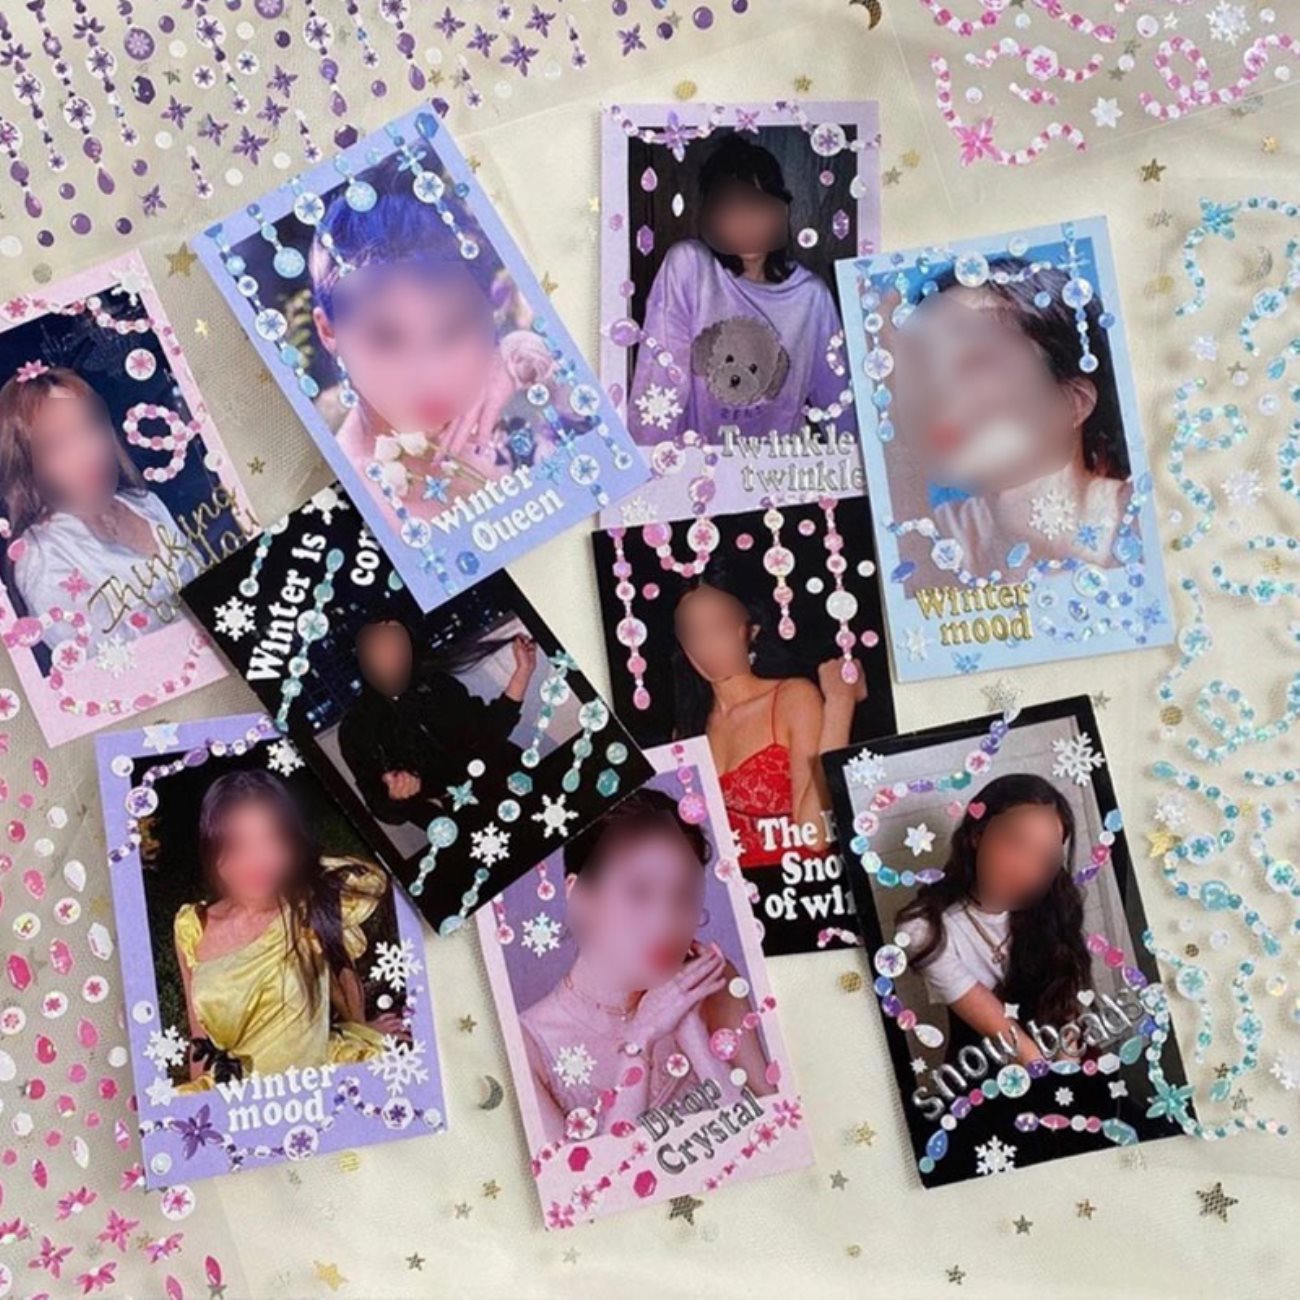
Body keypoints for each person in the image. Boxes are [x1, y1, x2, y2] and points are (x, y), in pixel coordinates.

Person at [308, 154, 566, 513]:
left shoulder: (517, 422)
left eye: (453, 329)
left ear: (489, 309)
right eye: (386, 340)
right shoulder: (339, 503)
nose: (428, 374)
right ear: (328, 331)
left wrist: (537, 359)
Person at [519, 788, 772, 1143]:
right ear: (580, 897)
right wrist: (639, 1044)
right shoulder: (528, 1046)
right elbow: (605, 1178)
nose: (664, 922)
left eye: (684, 895)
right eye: (638, 892)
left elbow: (775, 1138)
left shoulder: (711, 983)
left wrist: (695, 1038)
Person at [879, 257, 1132, 587]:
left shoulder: (1143, 516)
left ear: (1074, 403)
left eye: (978, 360)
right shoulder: (942, 535)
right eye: (923, 364)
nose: (934, 391)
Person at [172, 769, 402, 1090]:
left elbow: (342, 973)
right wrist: (201, 1101)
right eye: (237, 844)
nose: (257, 860)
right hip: (238, 1096)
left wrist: (364, 1031)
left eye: (271, 839)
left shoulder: (307, 908)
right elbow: (200, 1036)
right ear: (213, 847)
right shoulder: (191, 927)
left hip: (316, 1083)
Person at [626, 132, 851, 444]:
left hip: (778, 469)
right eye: (730, 208)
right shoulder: (690, 267)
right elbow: (660, 376)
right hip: (695, 463)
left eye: (757, 206)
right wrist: (646, 462)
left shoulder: (811, 297)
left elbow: (839, 404)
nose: (745, 221)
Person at [895, 773, 1092, 1069]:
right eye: (1017, 844)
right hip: (984, 1075)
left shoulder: (1053, 907)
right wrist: (1058, 1087)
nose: (1027, 871)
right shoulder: (925, 928)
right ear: (977, 834)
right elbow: (1021, 1049)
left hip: (1055, 1066)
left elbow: (1067, 1017)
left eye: (1045, 859)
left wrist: (1069, 1073)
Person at [670, 577, 865, 866]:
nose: (706, 644)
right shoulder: (686, 730)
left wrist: (840, 703)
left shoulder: (793, 698)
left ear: (751, 630)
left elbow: (817, 834)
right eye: (692, 632)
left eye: (718, 627)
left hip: (801, 883)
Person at [0, 365, 196, 646]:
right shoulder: (42, 554)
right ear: (30, 465)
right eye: (58, 443)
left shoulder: (146, 503)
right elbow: (107, 661)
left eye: (89, 426)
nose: (88, 451)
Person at [336, 617, 536, 829]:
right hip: (465, 819)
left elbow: (491, 729)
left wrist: (523, 671)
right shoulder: (356, 727)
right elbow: (381, 808)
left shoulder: (435, 682)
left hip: (511, 777)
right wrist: (397, 796)